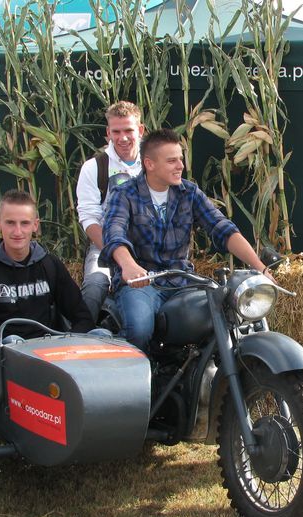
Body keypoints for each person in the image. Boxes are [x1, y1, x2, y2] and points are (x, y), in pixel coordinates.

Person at [101, 128, 273, 351]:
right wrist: (128, 265)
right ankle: (138, 381)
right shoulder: (124, 195)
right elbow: (114, 233)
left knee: (226, 315)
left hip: (182, 281)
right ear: (150, 164)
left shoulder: (189, 193)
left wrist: (260, 267)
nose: (180, 165)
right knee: (140, 329)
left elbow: (222, 228)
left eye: (180, 159)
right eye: (172, 161)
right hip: (141, 284)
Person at [0, 190, 95, 391]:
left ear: (35, 226)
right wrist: (0, 346)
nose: (18, 231)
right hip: (1, 359)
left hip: (47, 357)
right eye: (10, 223)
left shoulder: (49, 264)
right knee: (13, 344)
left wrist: (67, 346)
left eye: (25, 223)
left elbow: (83, 317)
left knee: (101, 334)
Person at [76, 101, 145, 323]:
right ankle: (82, 336)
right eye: (116, 131)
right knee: (95, 286)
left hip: (150, 246)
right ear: (108, 133)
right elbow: (89, 218)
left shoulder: (154, 162)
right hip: (104, 245)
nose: (122, 138)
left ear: (140, 130)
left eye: (128, 130)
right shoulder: (94, 167)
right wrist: (116, 254)